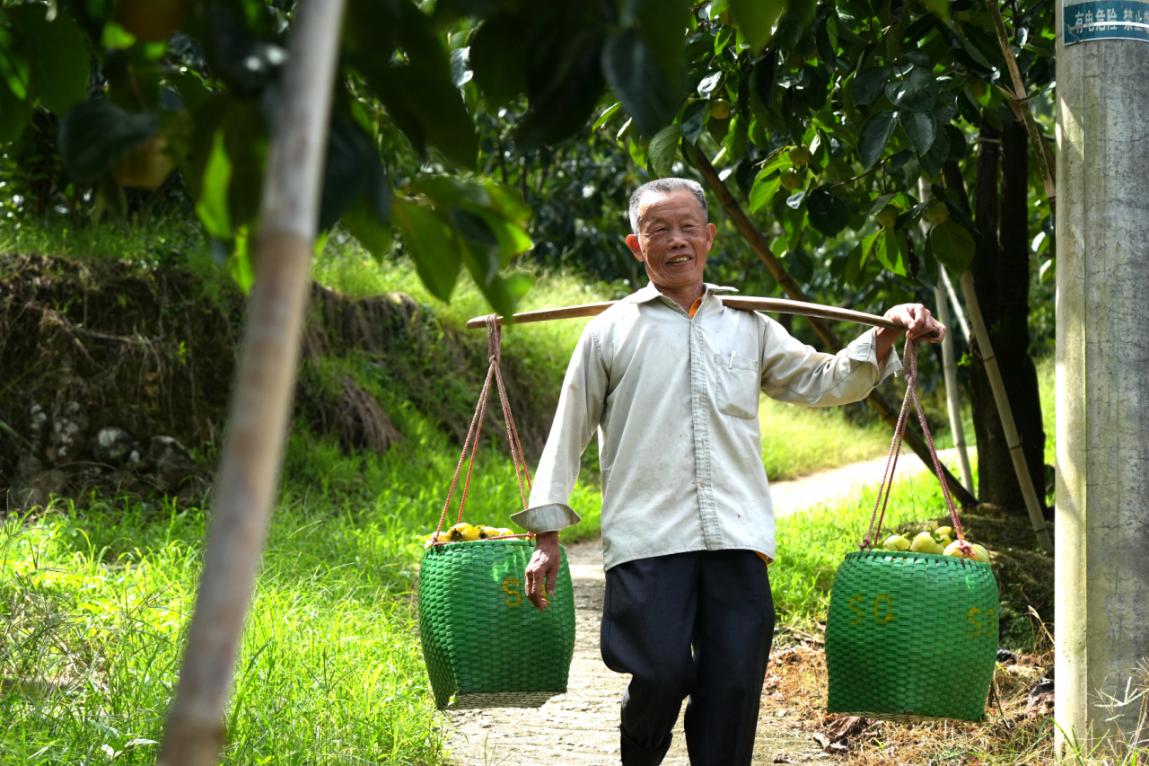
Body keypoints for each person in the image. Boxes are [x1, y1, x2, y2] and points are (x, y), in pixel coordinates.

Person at [511, 177, 946, 766]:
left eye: (688, 226)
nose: (676, 240)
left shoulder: (749, 324)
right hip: (647, 538)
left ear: (709, 237)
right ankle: (639, 751)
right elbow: (567, 433)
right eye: (658, 229)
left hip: (735, 535)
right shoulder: (610, 331)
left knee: (734, 686)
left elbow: (823, 379)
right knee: (661, 673)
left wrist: (886, 332)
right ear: (636, 246)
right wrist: (547, 536)